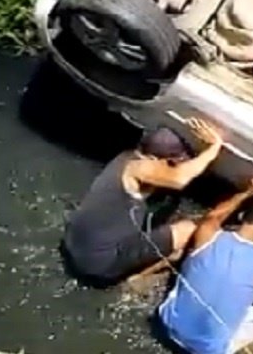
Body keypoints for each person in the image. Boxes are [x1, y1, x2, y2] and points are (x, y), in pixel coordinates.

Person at [62, 118, 224, 287]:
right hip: (99, 264)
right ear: (153, 159)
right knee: (188, 231)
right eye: (172, 163)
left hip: (73, 242)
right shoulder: (140, 169)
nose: (176, 167)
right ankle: (137, 281)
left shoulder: (126, 158)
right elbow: (179, 179)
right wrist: (213, 149)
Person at [158, 179, 253, 354]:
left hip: (168, 326)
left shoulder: (208, 234)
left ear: (241, 217)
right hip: (207, 350)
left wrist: (246, 193)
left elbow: (214, 216)